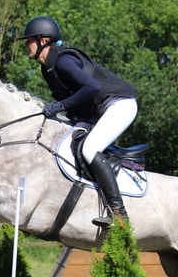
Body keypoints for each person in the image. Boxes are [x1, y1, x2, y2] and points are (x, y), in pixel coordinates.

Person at [19, 16, 138, 227]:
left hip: (119, 105)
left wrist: (60, 106)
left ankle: (119, 213)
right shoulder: (47, 67)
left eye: (29, 40)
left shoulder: (62, 61)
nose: (26, 44)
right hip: (99, 111)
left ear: (43, 40)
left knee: (89, 149)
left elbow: (91, 87)